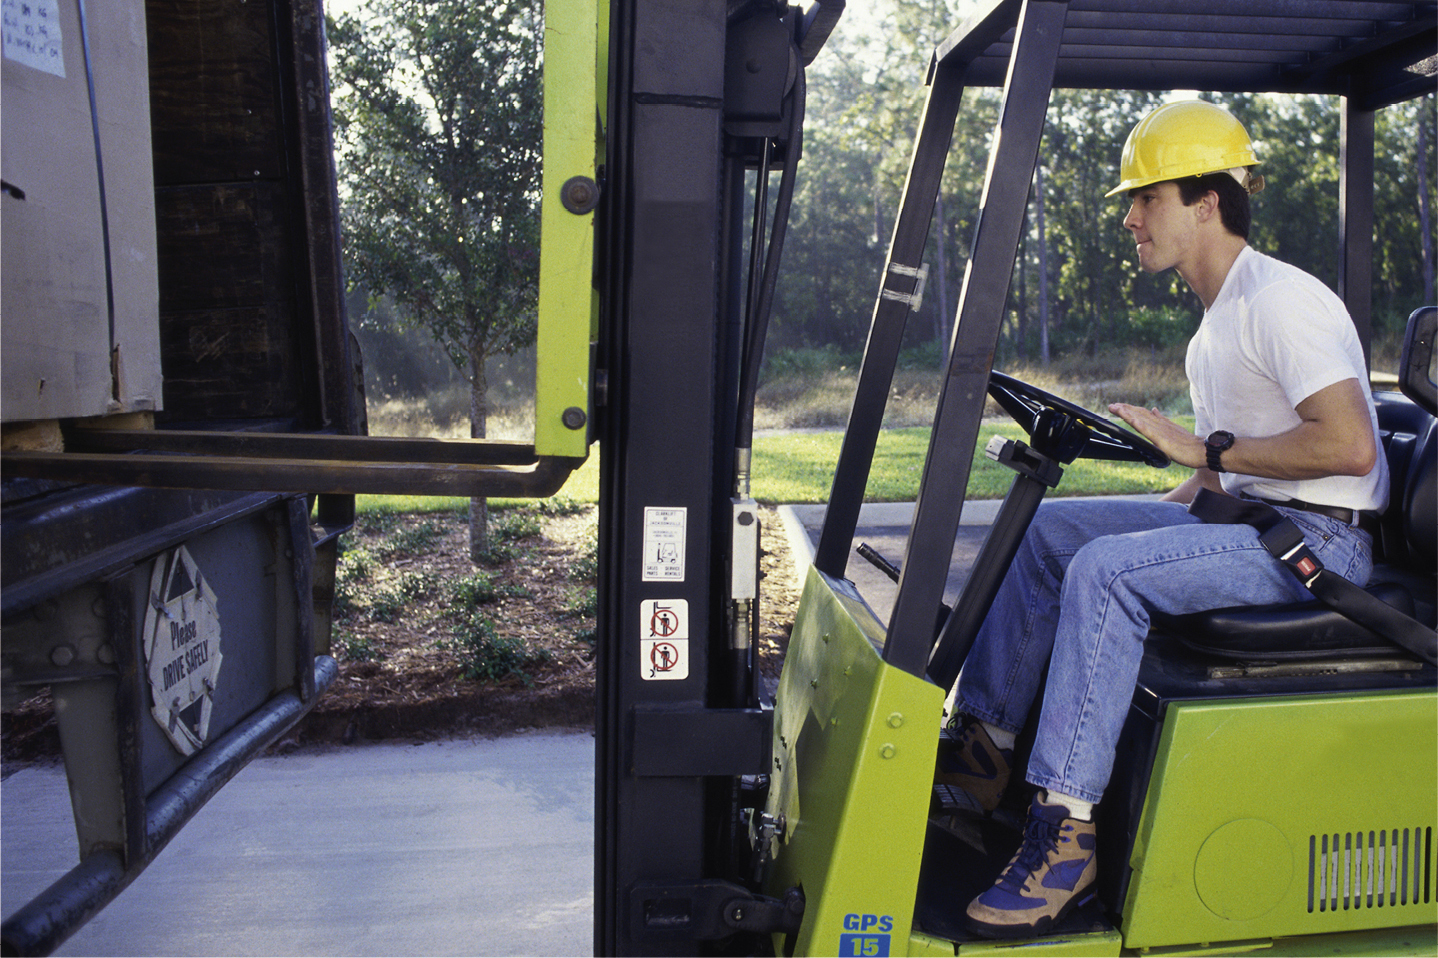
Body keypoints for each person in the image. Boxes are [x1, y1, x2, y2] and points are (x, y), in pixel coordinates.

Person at [939, 100, 1389, 939]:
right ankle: (981, 760)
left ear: (1208, 202)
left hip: (1315, 547)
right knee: (1052, 535)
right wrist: (1165, 498)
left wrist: (1200, 448)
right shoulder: (1216, 322)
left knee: (1106, 575)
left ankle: (1065, 837)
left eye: (1148, 197)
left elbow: (1350, 447)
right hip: (1250, 522)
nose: (1130, 217)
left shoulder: (1283, 301)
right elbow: (1217, 473)